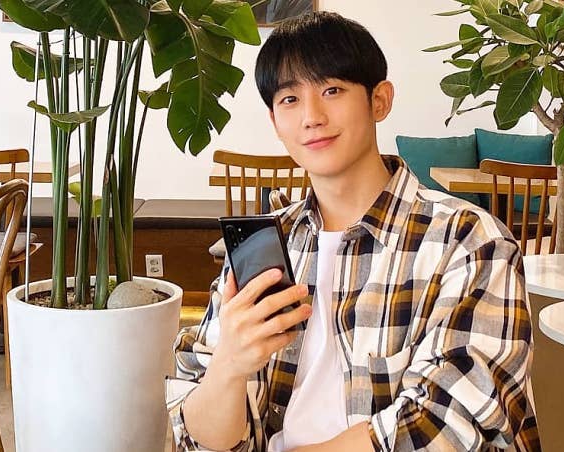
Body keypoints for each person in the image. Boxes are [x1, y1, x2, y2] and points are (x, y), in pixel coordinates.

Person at [168, 11, 540, 452]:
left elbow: (448, 424)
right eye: (290, 99)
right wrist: (229, 366)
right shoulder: (263, 245)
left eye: (332, 90)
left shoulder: (468, 240)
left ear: (379, 100)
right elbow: (196, 434)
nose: (312, 116)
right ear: (275, 121)